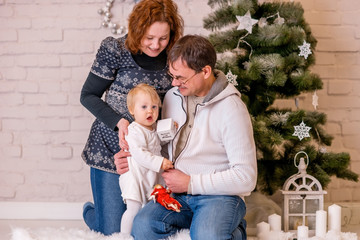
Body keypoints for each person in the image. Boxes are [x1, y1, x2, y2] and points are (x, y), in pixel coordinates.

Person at [116, 35, 257, 240]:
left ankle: (231, 230)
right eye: (172, 75)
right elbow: (161, 147)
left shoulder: (231, 109)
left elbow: (246, 178)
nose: (174, 83)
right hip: (177, 196)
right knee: (143, 226)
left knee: (207, 235)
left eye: (181, 77)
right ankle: (213, 227)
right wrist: (133, 158)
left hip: (219, 196)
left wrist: (190, 183)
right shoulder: (173, 97)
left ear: (206, 71)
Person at [79, 0, 183, 235]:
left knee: (142, 223)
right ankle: (92, 212)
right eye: (149, 37)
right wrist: (120, 122)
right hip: (110, 147)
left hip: (149, 152)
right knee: (113, 229)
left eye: (163, 38)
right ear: (137, 30)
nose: (156, 45)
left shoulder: (175, 57)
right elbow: (88, 95)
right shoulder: (115, 50)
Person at [119, 83, 174, 235]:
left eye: (154, 107)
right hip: (135, 177)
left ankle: (139, 234)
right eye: (144, 107)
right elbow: (140, 153)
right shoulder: (134, 130)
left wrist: (169, 131)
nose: (150, 111)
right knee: (133, 208)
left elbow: (157, 143)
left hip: (148, 175)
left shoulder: (153, 128)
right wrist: (160, 162)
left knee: (147, 207)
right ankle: (124, 236)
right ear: (132, 110)